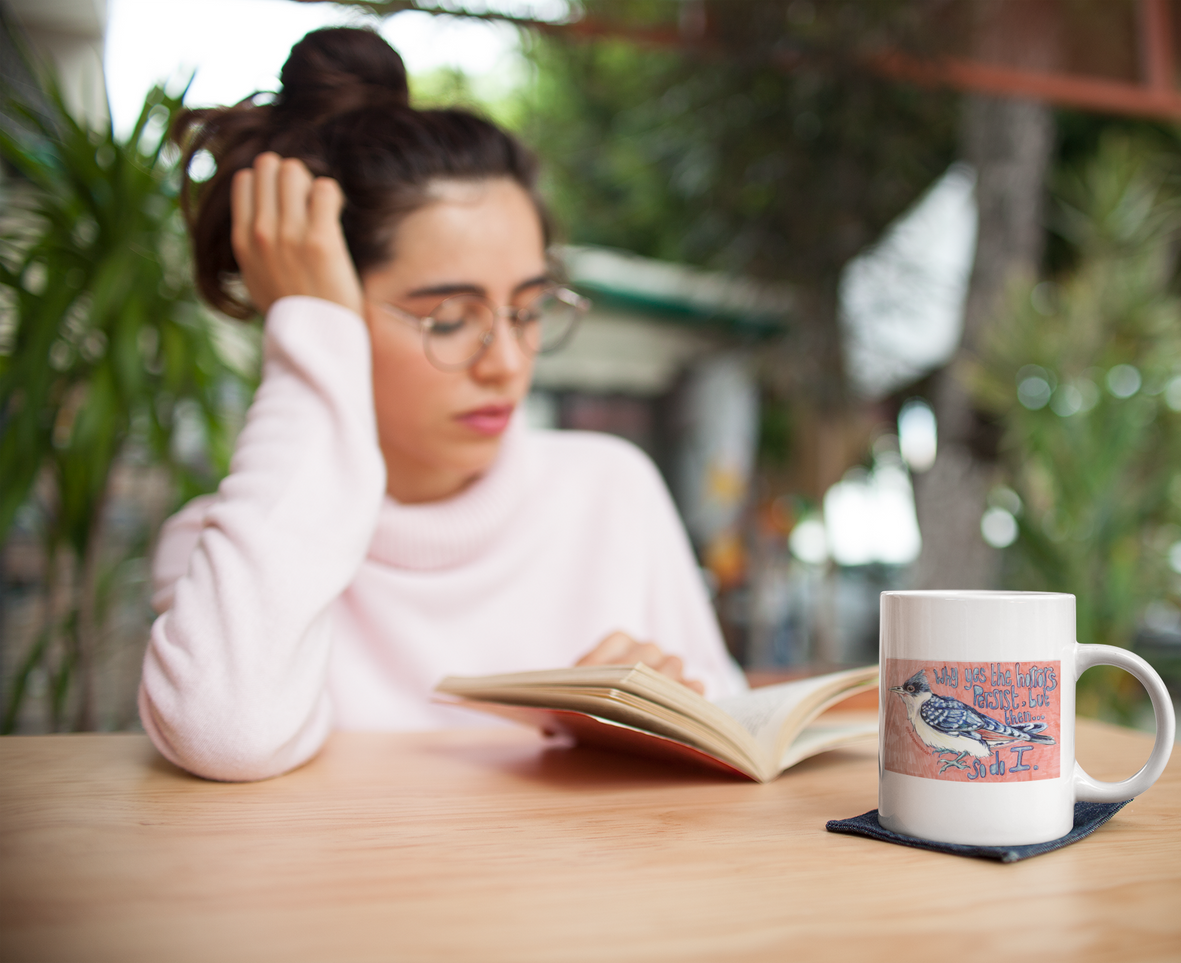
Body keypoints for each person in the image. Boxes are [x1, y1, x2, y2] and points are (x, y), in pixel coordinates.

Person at [140, 26, 746, 782]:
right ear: (327, 312)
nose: (506, 363)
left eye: (527, 309)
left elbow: (734, 731)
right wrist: (306, 332)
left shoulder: (608, 491)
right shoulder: (226, 554)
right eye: (449, 319)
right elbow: (224, 732)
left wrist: (660, 720)